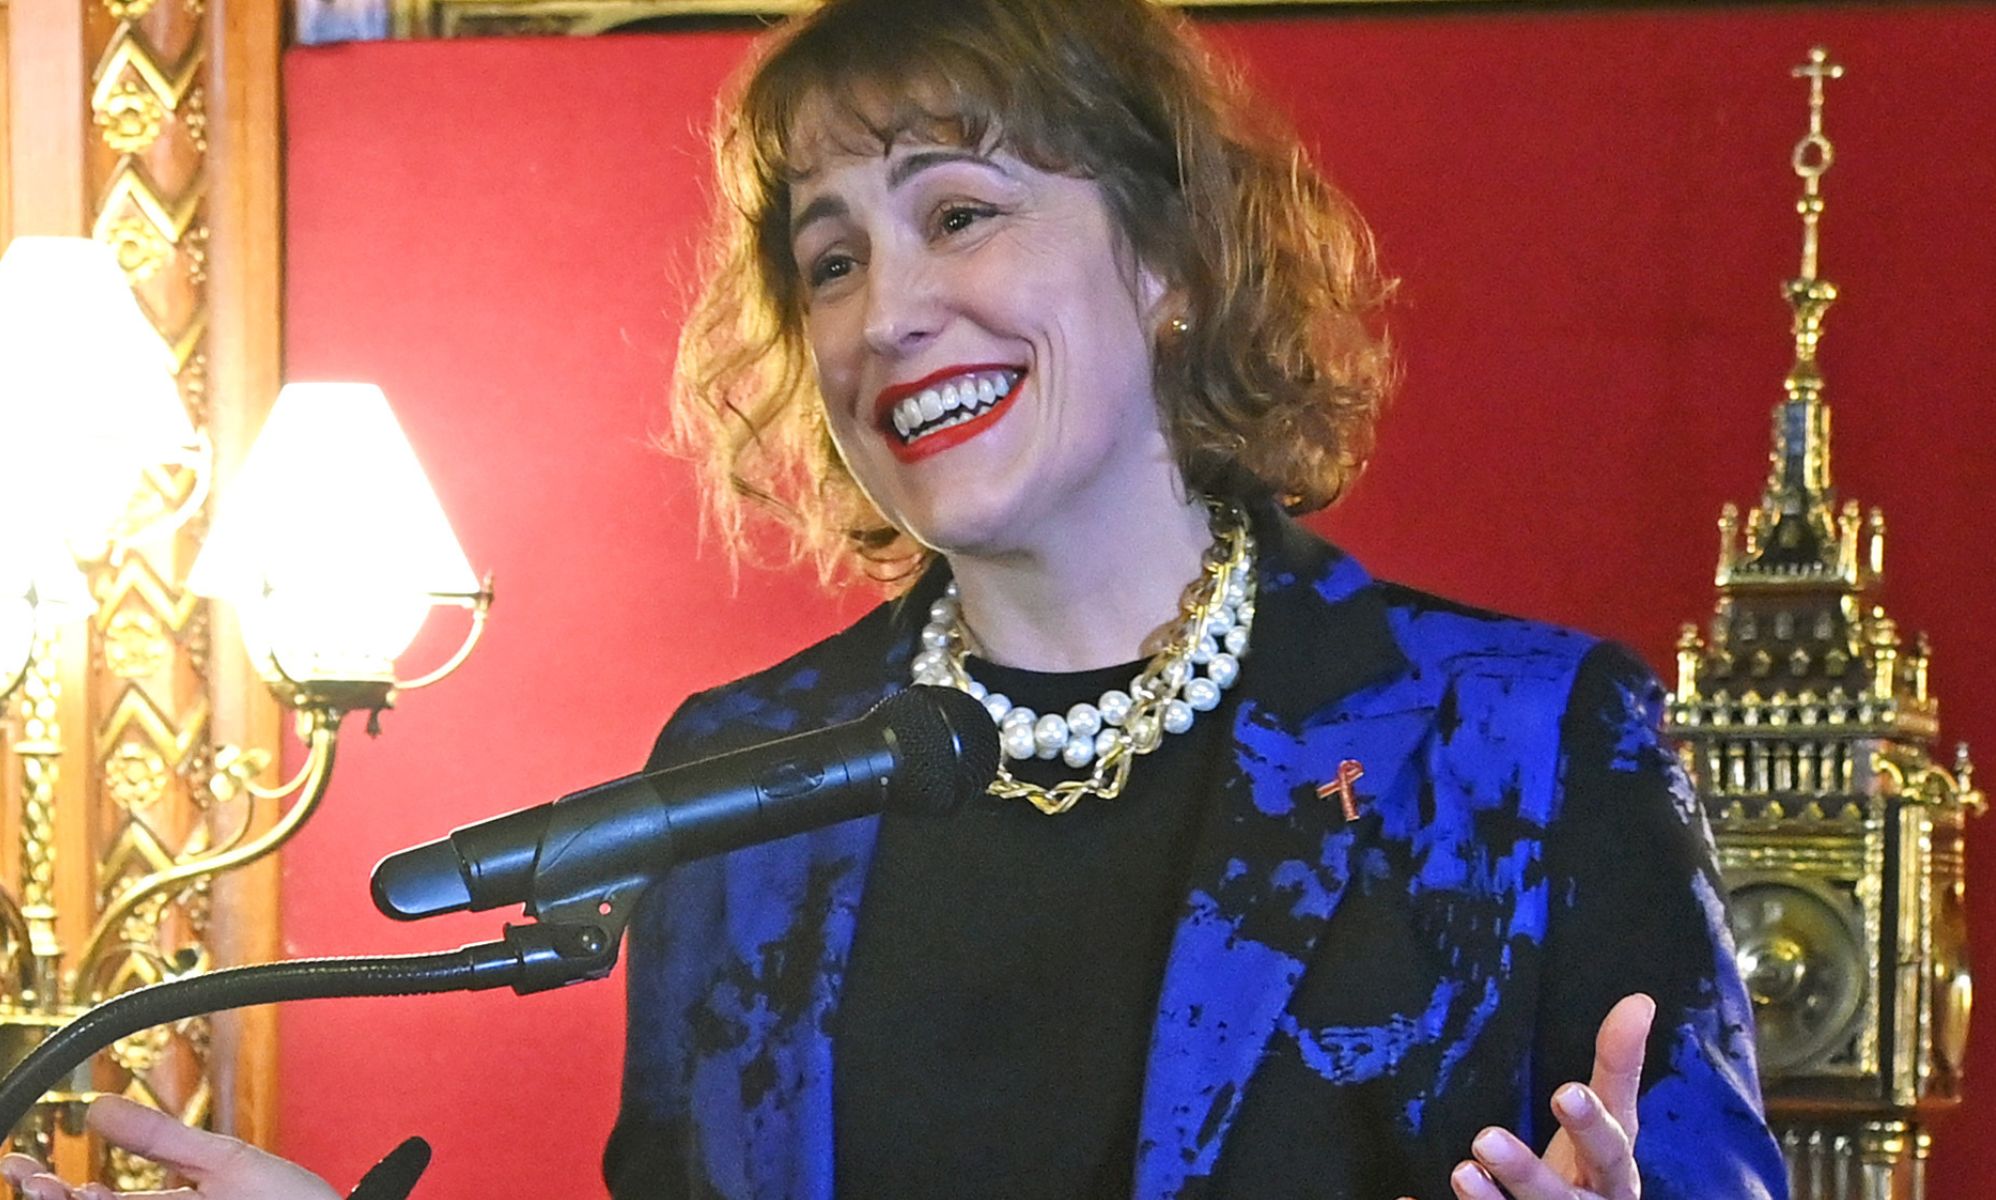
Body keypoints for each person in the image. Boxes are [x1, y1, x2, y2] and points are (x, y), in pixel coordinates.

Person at [5, 0, 1787, 1197]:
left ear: (1165, 261)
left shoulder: (1522, 741)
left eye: (962, 212)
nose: (885, 313)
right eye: (832, 255)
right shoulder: (738, 781)